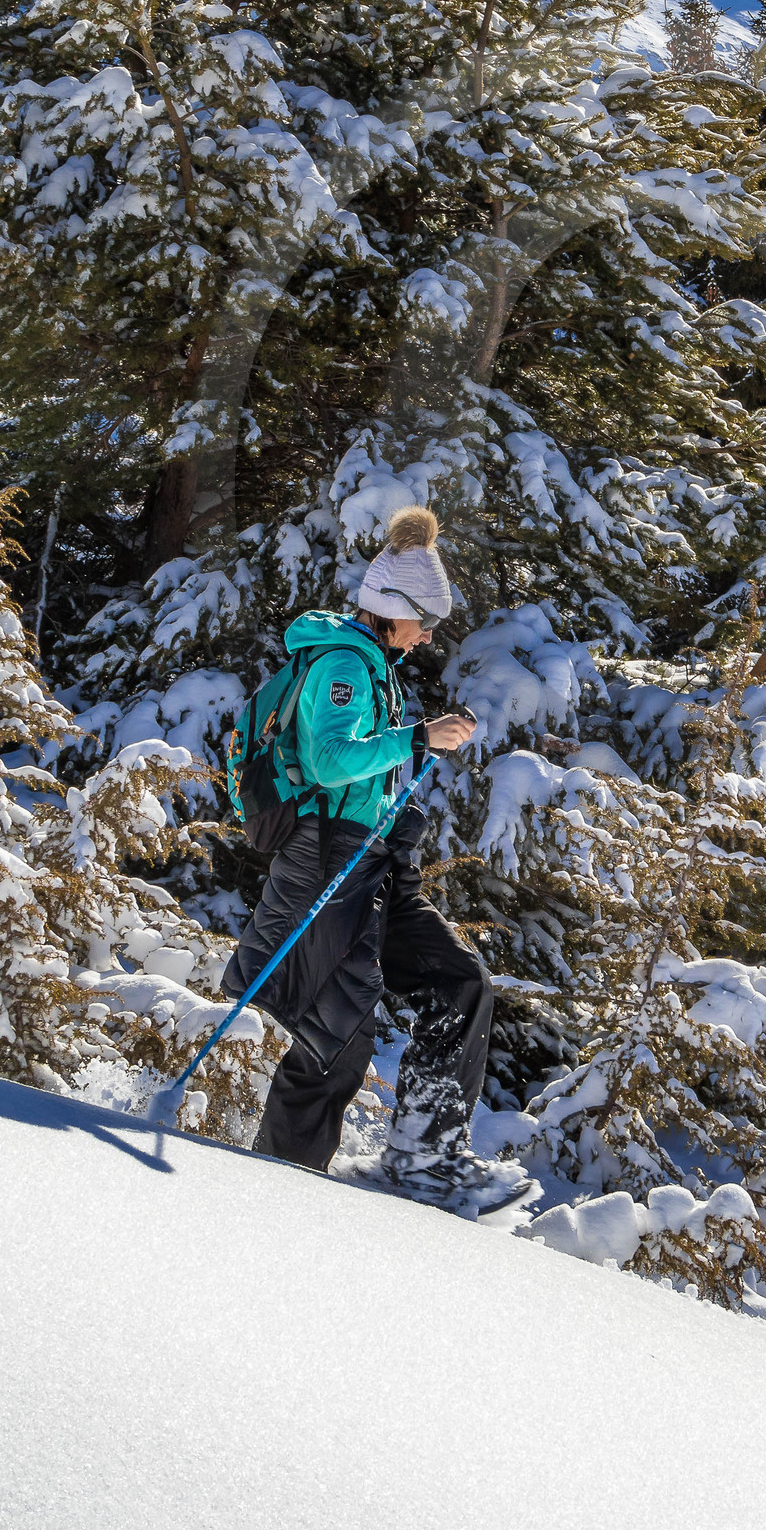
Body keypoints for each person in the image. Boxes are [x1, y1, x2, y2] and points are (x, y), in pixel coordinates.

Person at [222, 506, 532, 1216]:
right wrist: (418, 737)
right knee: (333, 1035)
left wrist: (412, 760)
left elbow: (366, 772)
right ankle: (274, 1193)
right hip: (326, 862)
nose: (427, 636)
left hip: (375, 863)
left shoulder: (372, 667)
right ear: (393, 609)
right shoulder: (342, 664)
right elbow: (330, 761)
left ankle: (425, 1159)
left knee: (459, 984)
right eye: (423, 621)